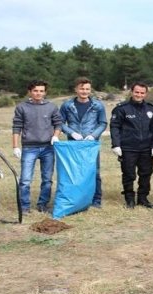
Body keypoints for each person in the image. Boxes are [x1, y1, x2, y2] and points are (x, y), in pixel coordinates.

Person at [12, 80, 62, 214]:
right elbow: (17, 127)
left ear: (45, 92)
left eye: (41, 91)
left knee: (47, 179)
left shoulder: (51, 107)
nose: (38, 93)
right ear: (30, 92)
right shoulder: (22, 107)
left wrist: (56, 136)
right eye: (35, 90)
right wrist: (15, 146)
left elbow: (58, 124)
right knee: (25, 180)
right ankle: (24, 206)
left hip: (48, 148)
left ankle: (43, 204)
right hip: (29, 147)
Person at [59, 77, 107, 208]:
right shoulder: (67, 105)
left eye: (87, 89)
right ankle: (77, 198)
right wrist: (72, 133)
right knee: (75, 171)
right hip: (73, 144)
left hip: (91, 144)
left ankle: (96, 200)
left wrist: (93, 135)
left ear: (90, 90)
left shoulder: (97, 105)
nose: (84, 91)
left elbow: (103, 123)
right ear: (76, 89)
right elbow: (60, 123)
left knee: (94, 171)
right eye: (81, 88)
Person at [110, 82, 153, 209]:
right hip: (128, 148)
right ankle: (129, 199)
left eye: (142, 93)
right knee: (129, 174)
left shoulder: (151, 109)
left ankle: (143, 198)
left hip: (146, 148)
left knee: (146, 173)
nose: (139, 95)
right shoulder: (121, 108)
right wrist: (116, 145)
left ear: (146, 94)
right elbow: (115, 127)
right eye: (137, 92)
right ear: (132, 92)